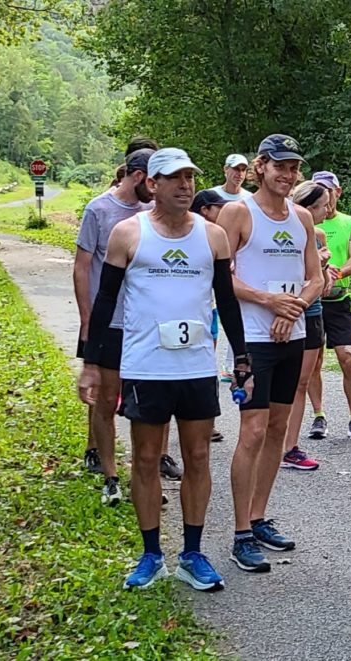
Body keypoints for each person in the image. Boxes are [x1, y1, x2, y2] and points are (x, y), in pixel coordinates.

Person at [78, 147, 252, 592]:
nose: (185, 185)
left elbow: (227, 303)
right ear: (151, 184)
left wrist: (242, 357)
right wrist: (93, 364)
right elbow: (104, 302)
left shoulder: (213, 237)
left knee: (197, 456)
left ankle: (192, 553)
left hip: (194, 366)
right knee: (148, 458)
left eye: (190, 177)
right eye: (174, 178)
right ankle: (151, 554)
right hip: (146, 365)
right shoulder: (127, 233)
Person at [218, 135, 322, 573]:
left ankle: (259, 517)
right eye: (279, 166)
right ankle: (240, 533)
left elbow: (317, 277)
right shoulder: (238, 212)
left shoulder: (301, 217)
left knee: (278, 428)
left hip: (291, 334)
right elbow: (220, 277)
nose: (287, 174)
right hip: (252, 337)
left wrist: (294, 305)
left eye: (294, 167)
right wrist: (268, 301)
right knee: (253, 430)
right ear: (260, 167)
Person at [75, 147, 163, 503]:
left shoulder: (151, 213)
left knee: (147, 402)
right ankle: (110, 476)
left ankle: (145, 475)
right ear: (140, 177)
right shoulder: (99, 209)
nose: (158, 190)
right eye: (153, 181)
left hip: (144, 323)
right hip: (108, 321)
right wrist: (87, 319)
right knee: (107, 399)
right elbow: (82, 267)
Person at [307, 171, 351, 442]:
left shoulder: (349, 222)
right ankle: (318, 415)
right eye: (318, 189)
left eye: (328, 190)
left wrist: (337, 274)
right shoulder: (304, 221)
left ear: (337, 192)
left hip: (338, 299)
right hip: (312, 299)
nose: (325, 195)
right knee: (313, 361)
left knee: (347, 356)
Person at [281, 181, 335, 472]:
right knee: (279, 382)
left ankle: (290, 447)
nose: (327, 209)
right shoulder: (287, 231)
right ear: (307, 206)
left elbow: (322, 285)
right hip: (283, 310)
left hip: (312, 312)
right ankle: (270, 441)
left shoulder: (320, 234)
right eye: (322, 205)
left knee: (301, 382)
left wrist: (325, 267)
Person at [191, 189, 231, 443]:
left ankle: (208, 422)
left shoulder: (219, 237)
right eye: (219, 207)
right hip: (191, 312)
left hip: (212, 309)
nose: (224, 212)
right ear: (205, 210)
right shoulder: (190, 236)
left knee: (207, 364)